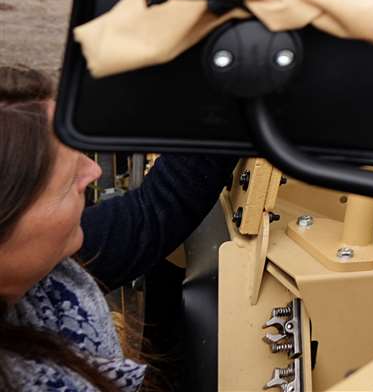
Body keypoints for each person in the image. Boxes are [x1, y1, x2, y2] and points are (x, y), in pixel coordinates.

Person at [0, 65, 235, 391]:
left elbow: (151, 214)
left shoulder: (48, 273)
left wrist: (225, 97)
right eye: (69, 183)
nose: (94, 171)